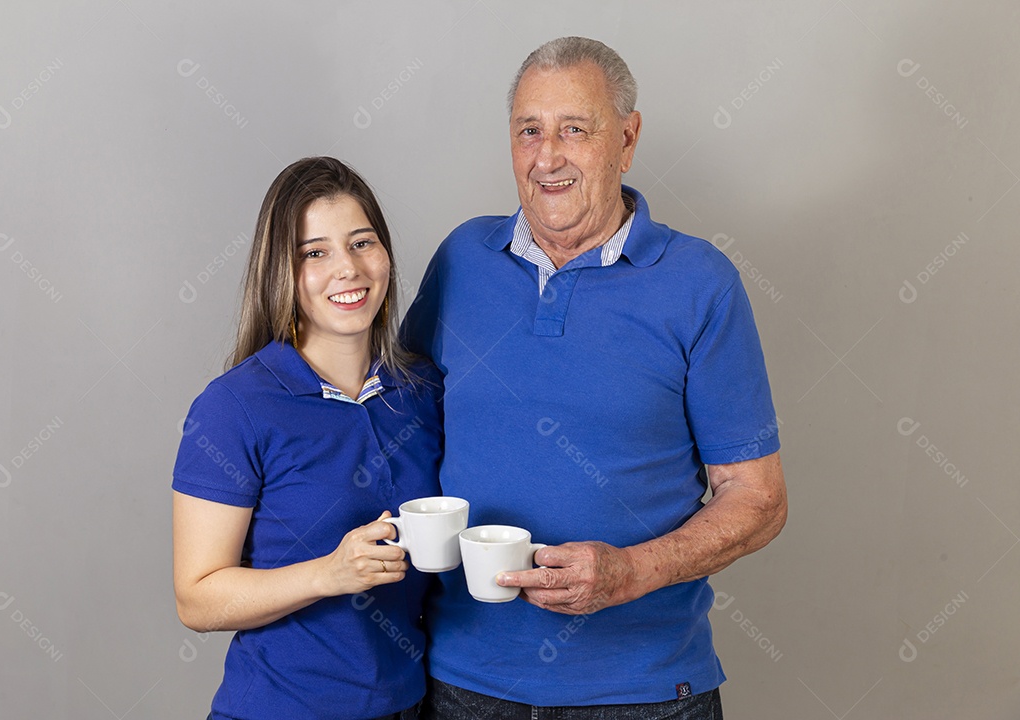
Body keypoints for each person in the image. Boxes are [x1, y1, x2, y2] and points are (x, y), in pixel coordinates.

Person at [402, 37, 787, 718]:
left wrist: (630, 573)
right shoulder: (463, 258)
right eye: (529, 131)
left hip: (644, 693)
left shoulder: (701, 285)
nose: (547, 157)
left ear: (628, 139)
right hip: (463, 684)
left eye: (574, 129)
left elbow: (757, 500)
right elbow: (397, 426)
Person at [172, 156, 442, 720]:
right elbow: (196, 597)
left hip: (412, 706)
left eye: (362, 243)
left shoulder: (423, 390)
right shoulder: (233, 408)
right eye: (314, 252)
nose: (347, 268)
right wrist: (329, 574)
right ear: (281, 272)